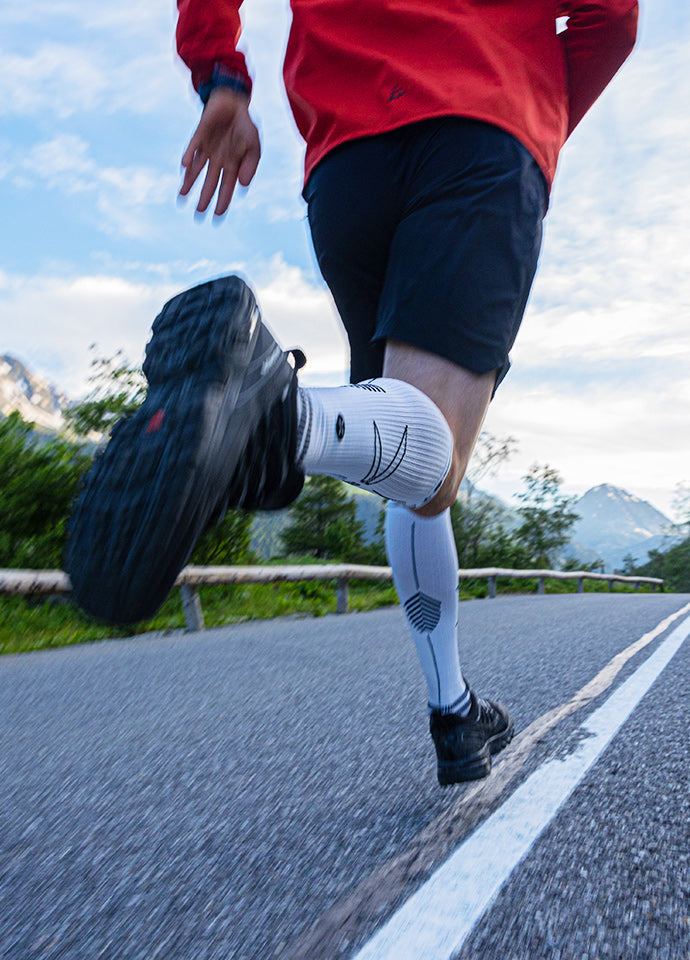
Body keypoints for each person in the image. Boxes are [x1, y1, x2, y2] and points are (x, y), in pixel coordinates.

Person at [66, 0, 638, 786]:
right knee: (432, 453)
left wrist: (221, 78)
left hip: (345, 165)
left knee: (403, 453)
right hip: (484, 121)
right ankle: (275, 415)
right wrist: (536, 113)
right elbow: (613, 17)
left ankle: (453, 710)